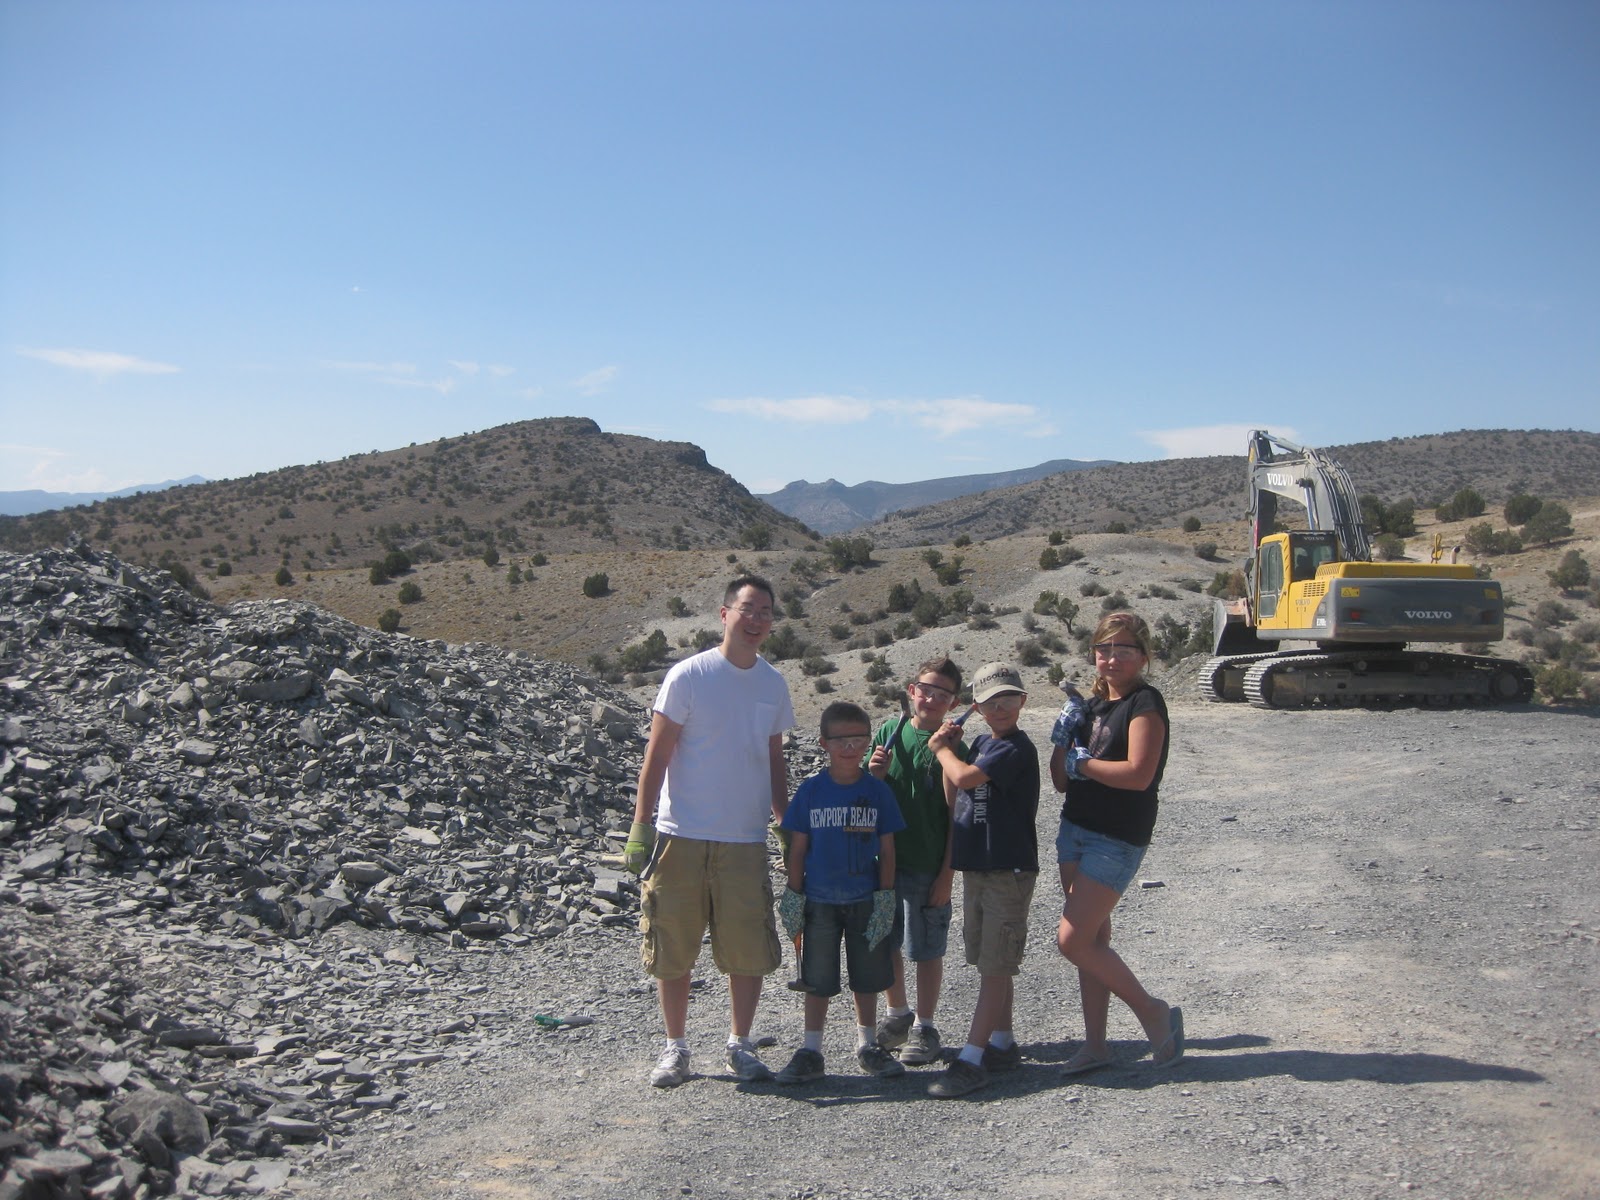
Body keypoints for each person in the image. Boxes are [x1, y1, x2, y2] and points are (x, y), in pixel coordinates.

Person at [624, 576, 795, 1088]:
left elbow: (774, 758)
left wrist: (784, 821)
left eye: (765, 611)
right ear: (724, 614)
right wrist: (641, 825)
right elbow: (657, 754)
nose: (757, 619)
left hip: (744, 838)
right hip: (682, 834)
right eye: (748, 609)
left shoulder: (773, 683)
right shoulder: (688, 676)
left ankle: (739, 1045)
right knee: (672, 944)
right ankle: (675, 1048)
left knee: (747, 947)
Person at [1049, 611, 1183, 1076]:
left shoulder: (1146, 703)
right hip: (1075, 829)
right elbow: (1059, 782)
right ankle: (1096, 1045)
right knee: (1093, 937)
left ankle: (1152, 1011)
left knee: (1072, 940)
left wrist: (1083, 765)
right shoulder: (1090, 706)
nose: (1111, 658)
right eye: (1104, 649)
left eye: (1124, 649)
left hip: (1117, 836)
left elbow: (1138, 775)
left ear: (1144, 656)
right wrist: (1064, 738)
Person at [773, 702, 907, 1083]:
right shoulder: (812, 791)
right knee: (817, 978)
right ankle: (811, 1050)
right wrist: (794, 895)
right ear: (824, 743)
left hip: (865, 899)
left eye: (858, 739)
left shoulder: (877, 792)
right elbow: (797, 848)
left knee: (866, 977)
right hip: (818, 900)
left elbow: (889, 849)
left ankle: (867, 1044)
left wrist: (885, 897)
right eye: (840, 740)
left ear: (868, 741)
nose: (850, 747)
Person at [924, 662, 1040, 1099]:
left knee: (995, 965)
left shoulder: (1015, 748)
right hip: (981, 866)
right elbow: (954, 790)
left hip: (1006, 869)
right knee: (989, 961)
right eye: (992, 702)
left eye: (1010, 698)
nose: (1002, 707)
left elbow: (967, 776)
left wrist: (941, 751)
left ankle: (972, 1057)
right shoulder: (979, 743)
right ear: (978, 707)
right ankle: (1003, 1042)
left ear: (1023, 701)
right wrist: (949, 751)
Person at [866, 657, 964, 1067]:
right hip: (884, 862)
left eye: (942, 694)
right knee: (886, 940)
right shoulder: (890, 731)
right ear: (911, 691)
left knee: (925, 947)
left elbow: (958, 816)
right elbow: (869, 795)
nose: (931, 699)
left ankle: (925, 1025)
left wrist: (948, 874)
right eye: (925, 690)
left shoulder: (953, 747)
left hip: (927, 863)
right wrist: (873, 775)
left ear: (953, 703)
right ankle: (898, 1013)